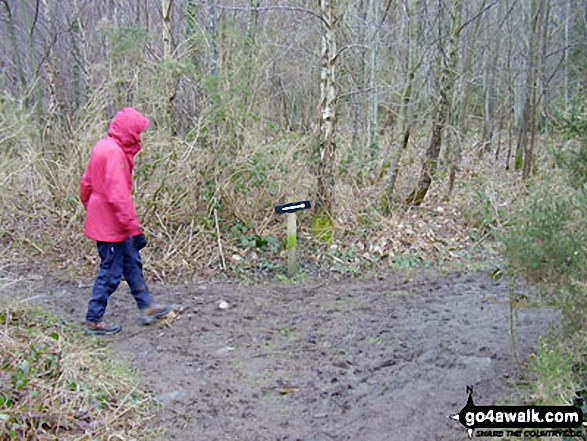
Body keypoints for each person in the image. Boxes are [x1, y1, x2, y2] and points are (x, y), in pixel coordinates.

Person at [80, 107, 171, 335]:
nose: (140, 136)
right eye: (139, 131)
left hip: (109, 220)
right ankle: (94, 319)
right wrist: (134, 228)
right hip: (112, 223)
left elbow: (86, 186)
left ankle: (146, 306)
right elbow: (119, 197)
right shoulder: (115, 154)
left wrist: (93, 209)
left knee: (132, 263)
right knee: (110, 272)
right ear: (130, 131)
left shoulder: (103, 146)